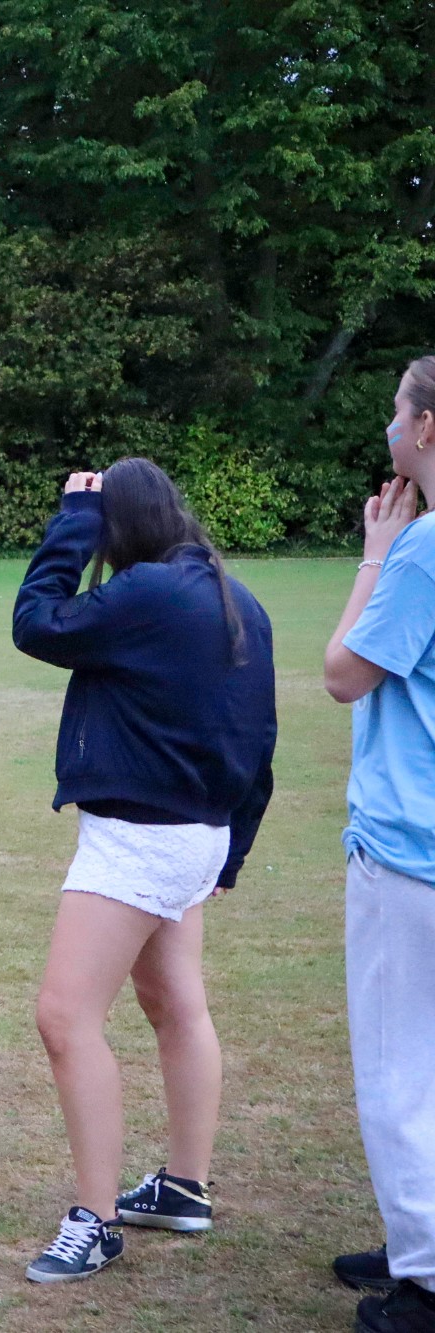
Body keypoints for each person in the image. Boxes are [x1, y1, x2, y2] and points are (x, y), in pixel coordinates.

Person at [12, 459, 276, 1283]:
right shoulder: (236, 598)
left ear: (117, 526)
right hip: (197, 833)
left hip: (140, 837)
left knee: (64, 1016)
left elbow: (37, 622)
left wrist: (73, 517)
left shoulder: (148, 592)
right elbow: (260, 735)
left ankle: (95, 1220)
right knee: (174, 1002)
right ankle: (185, 1187)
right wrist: (232, 847)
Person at [321, 355, 435, 1333]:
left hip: (410, 844)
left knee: (400, 1067)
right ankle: (415, 1237)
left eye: (396, 412)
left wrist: (375, 552)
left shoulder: (423, 548)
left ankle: (426, 1275)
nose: (387, 427)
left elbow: (343, 673)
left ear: (425, 428)